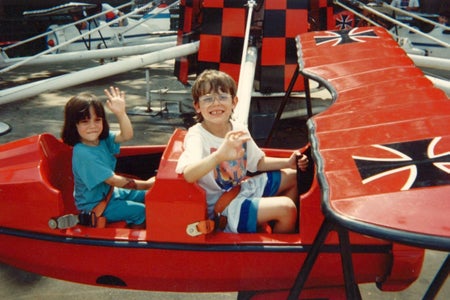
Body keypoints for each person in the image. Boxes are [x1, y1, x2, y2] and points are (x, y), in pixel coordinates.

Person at [175, 70, 309, 234]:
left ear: (234, 102)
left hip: (240, 189)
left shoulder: (238, 128)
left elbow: (258, 162)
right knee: (286, 208)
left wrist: (288, 163)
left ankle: (275, 228)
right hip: (222, 208)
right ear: (197, 106)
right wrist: (219, 155)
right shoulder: (197, 136)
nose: (216, 103)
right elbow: (188, 174)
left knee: (293, 176)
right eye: (207, 99)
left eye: (223, 97)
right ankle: (276, 247)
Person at [61, 87, 154, 229]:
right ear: (74, 125)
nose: (93, 126)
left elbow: (126, 135)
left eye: (97, 120)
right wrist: (147, 183)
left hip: (110, 193)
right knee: (141, 211)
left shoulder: (101, 139)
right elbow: (113, 180)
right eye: (85, 122)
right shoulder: (83, 153)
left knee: (150, 195)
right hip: (94, 205)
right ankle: (135, 244)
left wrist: (121, 113)